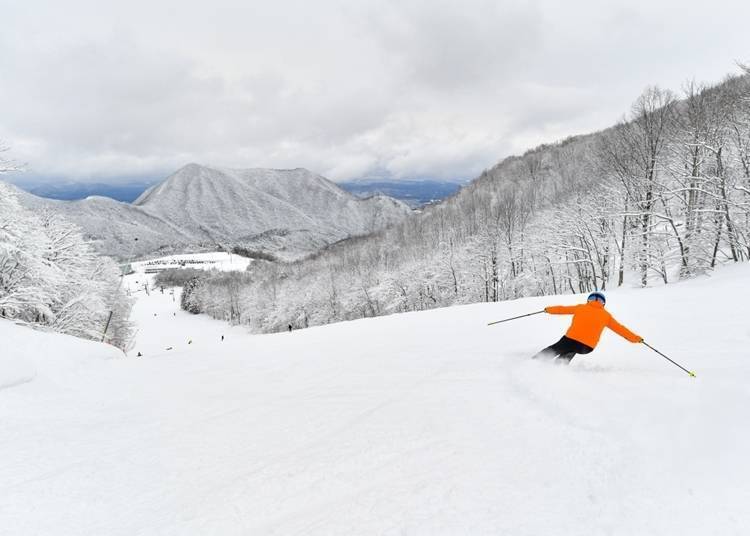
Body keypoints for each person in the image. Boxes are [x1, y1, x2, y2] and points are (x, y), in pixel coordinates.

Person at [534, 291, 642, 363]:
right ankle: (559, 366)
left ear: (588, 300)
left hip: (570, 340)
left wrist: (548, 309)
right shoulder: (606, 316)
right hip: (586, 347)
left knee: (557, 348)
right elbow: (621, 329)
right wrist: (636, 338)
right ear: (603, 304)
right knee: (572, 349)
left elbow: (562, 309)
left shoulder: (580, 308)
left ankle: (535, 362)